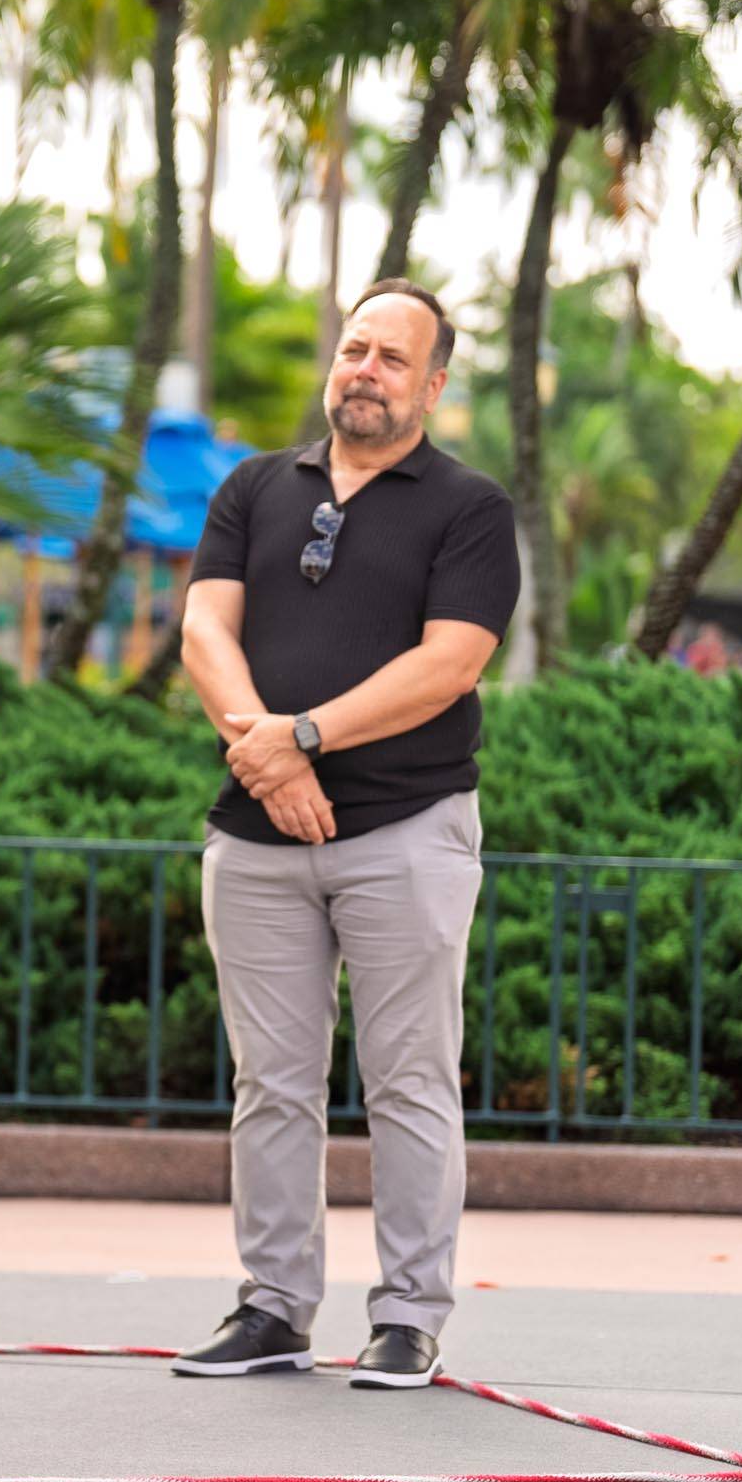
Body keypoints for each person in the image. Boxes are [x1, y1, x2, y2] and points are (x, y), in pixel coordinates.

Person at [171, 279, 519, 1390]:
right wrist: (266, 760)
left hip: (406, 833)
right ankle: (272, 1308)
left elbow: (450, 663)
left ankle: (408, 1318)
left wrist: (304, 738)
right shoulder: (253, 486)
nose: (362, 369)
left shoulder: (468, 508)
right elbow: (203, 629)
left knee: (408, 1079)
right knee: (269, 1083)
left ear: (431, 386)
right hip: (257, 836)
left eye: (389, 358)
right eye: (352, 348)